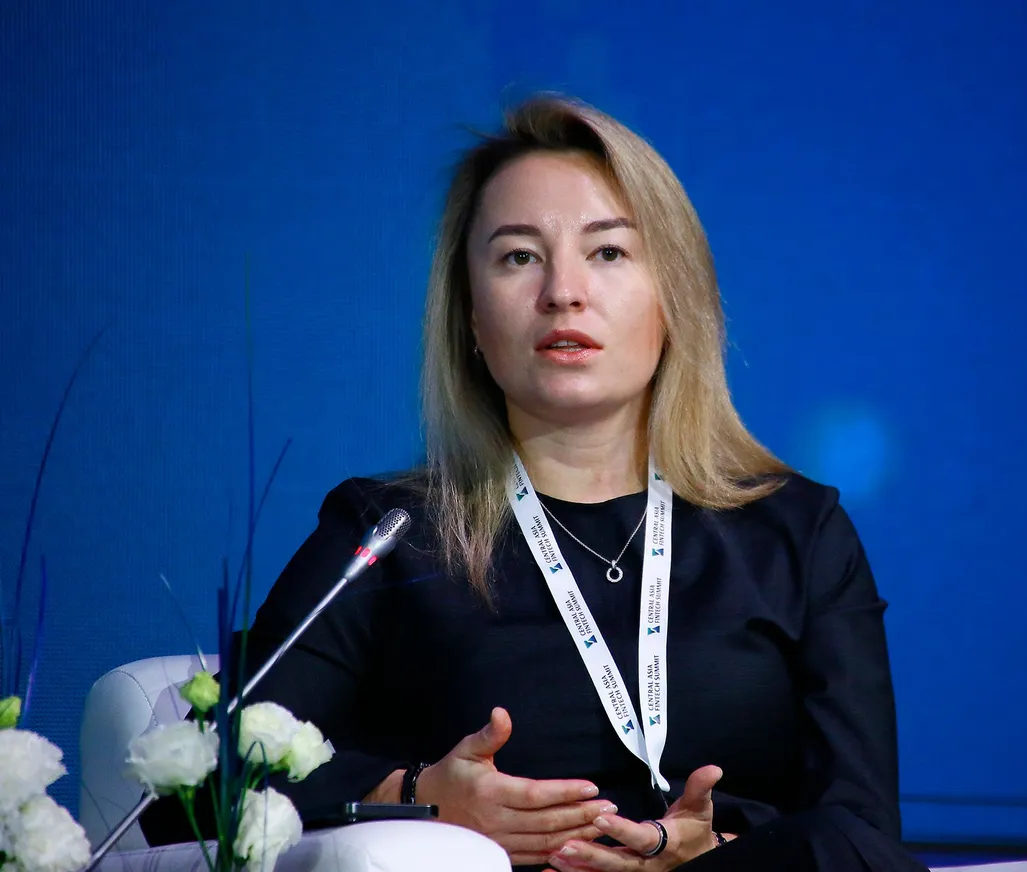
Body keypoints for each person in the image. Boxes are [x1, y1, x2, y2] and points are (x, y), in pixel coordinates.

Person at [142, 94, 929, 872]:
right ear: (471, 318)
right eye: (519, 256)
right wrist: (415, 796)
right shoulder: (391, 534)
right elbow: (193, 792)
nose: (563, 292)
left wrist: (717, 850)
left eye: (608, 253)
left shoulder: (796, 532)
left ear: (674, 299)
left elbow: (863, 830)